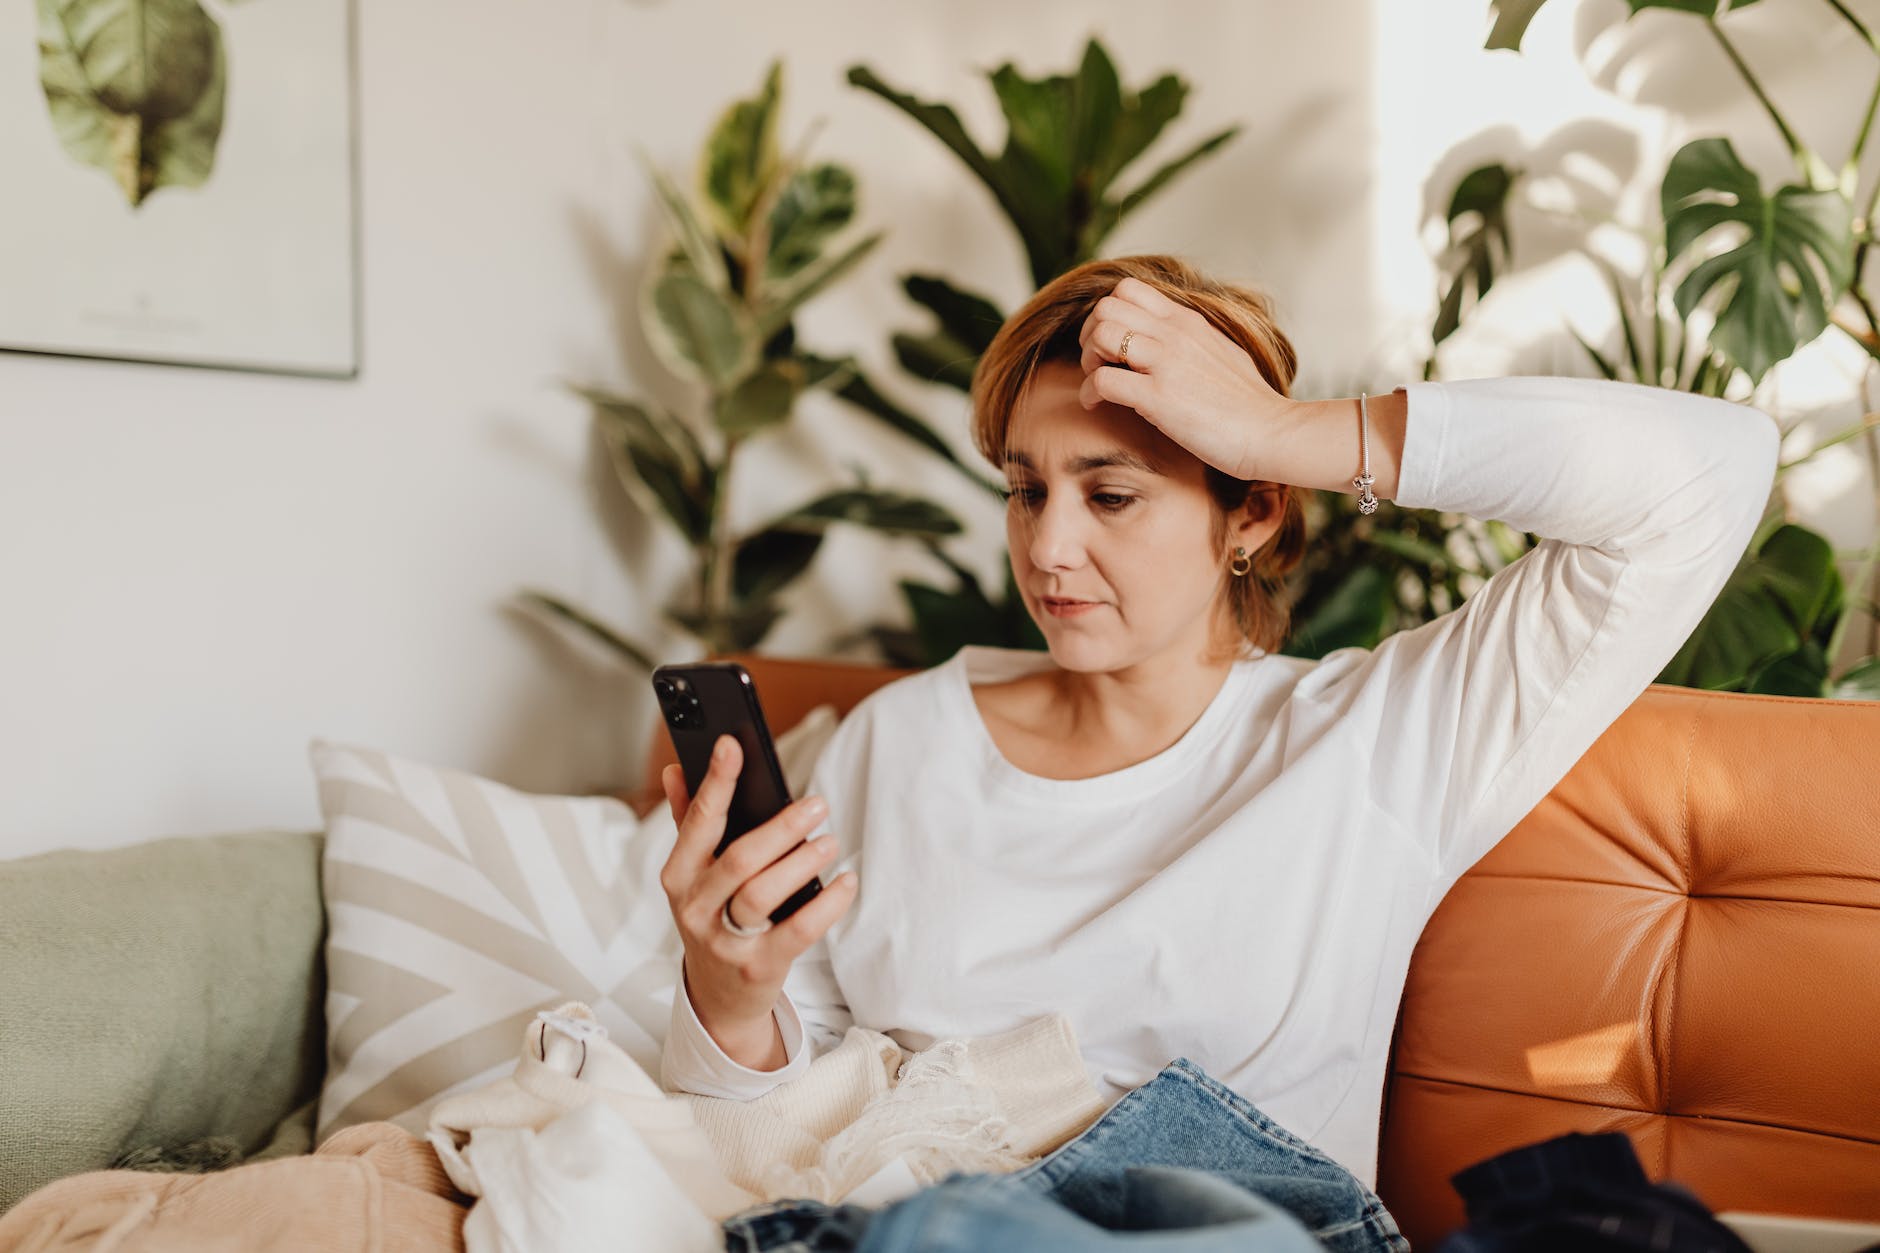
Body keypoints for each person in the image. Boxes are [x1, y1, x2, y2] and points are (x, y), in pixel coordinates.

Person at [652, 254, 1780, 1243]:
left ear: (1247, 513)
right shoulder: (899, 738)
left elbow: (1707, 474)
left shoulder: (1376, 741)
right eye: (1024, 488)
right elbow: (779, 1121)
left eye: (1110, 493)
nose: (1048, 546)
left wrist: (1280, 430)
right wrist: (730, 996)